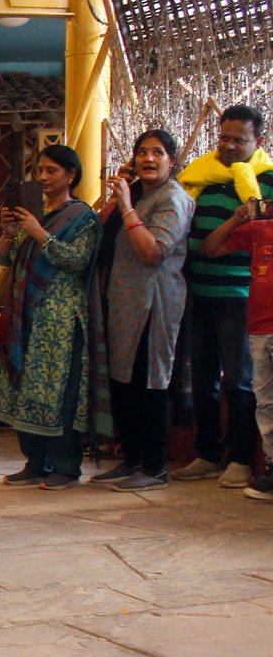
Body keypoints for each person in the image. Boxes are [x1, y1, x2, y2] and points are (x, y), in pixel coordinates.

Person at [172, 105, 273, 488]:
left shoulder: (268, 179)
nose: (228, 146)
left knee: (240, 381)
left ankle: (241, 460)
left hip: (241, 296)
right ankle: (207, 453)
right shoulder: (201, 177)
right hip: (199, 291)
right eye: (224, 138)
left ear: (257, 142)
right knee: (202, 380)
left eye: (239, 140)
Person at [88, 131, 193, 492]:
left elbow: (153, 253)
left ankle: (154, 466)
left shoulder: (173, 199)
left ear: (172, 161)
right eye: (142, 152)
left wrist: (128, 207)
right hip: (123, 303)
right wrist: (120, 197)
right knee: (124, 383)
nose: (149, 159)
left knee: (150, 383)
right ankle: (130, 459)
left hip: (155, 303)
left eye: (157, 153)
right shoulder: (137, 194)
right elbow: (100, 236)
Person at [0, 145, 100, 489]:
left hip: (60, 318)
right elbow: (5, 260)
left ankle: (66, 467)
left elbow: (77, 261)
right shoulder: (33, 212)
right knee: (25, 387)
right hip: (25, 313)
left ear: (71, 175)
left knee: (59, 392)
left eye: (52, 171)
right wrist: (10, 232)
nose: (43, 177)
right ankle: (35, 462)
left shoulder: (82, 217)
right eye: (40, 170)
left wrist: (40, 233)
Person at [199, 190, 273, 501]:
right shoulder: (258, 230)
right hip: (258, 328)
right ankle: (271, 466)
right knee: (266, 404)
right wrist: (235, 219)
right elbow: (210, 248)